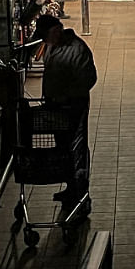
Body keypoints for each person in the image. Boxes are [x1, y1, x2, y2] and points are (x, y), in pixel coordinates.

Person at [35, 15, 98, 215]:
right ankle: (71, 187)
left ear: (55, 31)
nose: (45, 40)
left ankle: (80, 193)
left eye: (46, 35)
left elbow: (88, 78)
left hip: (74, 107)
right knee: (63, 148)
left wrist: (66, 96)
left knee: (76, 149)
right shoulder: (52, 46)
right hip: (57, 108)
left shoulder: (76, 49)